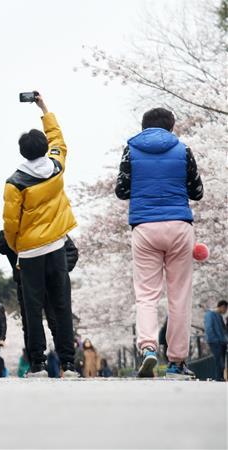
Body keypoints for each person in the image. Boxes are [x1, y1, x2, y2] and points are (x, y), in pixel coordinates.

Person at [115, 107, 204, 380]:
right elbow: (197, 191)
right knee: (179, 296)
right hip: (179, 226)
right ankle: (177, 362)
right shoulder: (183, 150)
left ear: (144, 127)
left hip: (144, 227)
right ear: (171, 126)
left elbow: (121, 190)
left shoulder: (131, 150)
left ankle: (148, 348)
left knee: (146, 295)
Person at [2, 93, 79, 379]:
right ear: (45, 148)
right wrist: (44, 108)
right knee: (62, 305)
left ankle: (38, 365)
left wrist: (17, 247)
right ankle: (69, 364)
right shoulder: (57, 167)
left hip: (30, 252)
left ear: (22, 152)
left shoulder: (15, 183)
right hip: (56, 247)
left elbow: (10, 223)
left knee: (33, 309)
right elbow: (59, 139)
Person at [204, 300, 227, 382]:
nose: (226, 311)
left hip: (222, 342)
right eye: (225, 309)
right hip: (215, 341)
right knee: (219, 359)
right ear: (222, 307)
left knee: (221, 360)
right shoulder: (210, 314)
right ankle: (218, 378)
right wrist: (214, 339)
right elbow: (209, 328)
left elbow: (223, 330)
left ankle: (220, 377)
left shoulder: (219, 316)